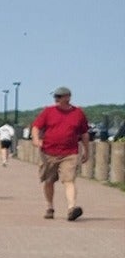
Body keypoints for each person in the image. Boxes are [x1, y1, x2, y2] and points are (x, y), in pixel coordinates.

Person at [31, 85, 91, 221]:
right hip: (48, 152)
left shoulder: (78, 113)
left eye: (59, 96)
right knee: (49, 180)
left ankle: (71, 208)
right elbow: (36, 127)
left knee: (69, 180)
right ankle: (50, 207)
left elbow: (84, 133)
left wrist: (86, 151)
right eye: (55, 97)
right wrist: (36, 139)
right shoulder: (48, 111)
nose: (56, 99)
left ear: (68, 97)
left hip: (70, 152)